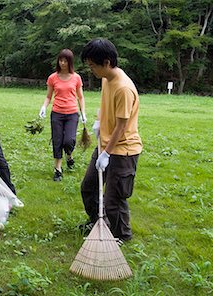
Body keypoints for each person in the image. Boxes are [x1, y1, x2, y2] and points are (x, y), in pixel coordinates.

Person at [80, 38, 143, 243]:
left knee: (114, 199)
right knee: (88, 187)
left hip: (122, 150)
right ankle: (99, 223)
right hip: (105, 144)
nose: (91, 70)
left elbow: (122, 125)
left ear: (106, 62)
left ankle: (121, 236)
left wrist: (107, 153)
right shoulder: (106, 79)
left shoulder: (123, 88)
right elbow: (106, 107)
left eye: (92, 66)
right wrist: (99, 121)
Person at [38, 49, 86, 181]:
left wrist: (83, 113)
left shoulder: (76, 78)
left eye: (65, 61)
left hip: (72, 114)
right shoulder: (52, 78)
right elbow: (48, 96)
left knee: (69, 140)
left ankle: (69, 156)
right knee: (57, 141)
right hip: (57, 113)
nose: (63, 63)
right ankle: (58, 169)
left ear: (70, 62)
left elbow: (80, 97)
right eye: (61, 60)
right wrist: (44, 107)